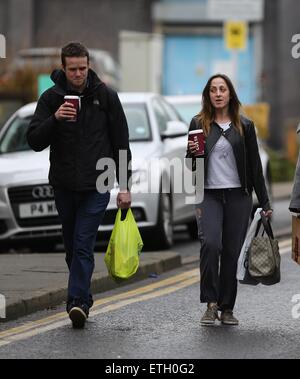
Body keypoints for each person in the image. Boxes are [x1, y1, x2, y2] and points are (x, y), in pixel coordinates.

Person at [27, 42, 132, 328]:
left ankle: (77, 303)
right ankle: (83, 294)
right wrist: (56, 118)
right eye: (72, 69)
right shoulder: (50, 99)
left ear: (89, 66)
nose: (78, 74)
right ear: (63, 68)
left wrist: (124, 186)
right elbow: (34, 140)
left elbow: (121, 143)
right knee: (72, 247)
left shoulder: (106, 97)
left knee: (84, 243)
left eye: (82, 68)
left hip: (97, 184)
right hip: (63, 184)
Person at [186, 74, 272, 326]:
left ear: (230, 94)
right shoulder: (198, 123)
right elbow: (192, 166)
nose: (218, 93)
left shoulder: (244, 126)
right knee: (211, 244)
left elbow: (255, 167)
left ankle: (227, 308)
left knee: (232, 253)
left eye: (222, 89)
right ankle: (211, 304)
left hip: (238, 196)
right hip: (209, 195)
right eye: (213, 89)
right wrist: (192, 154)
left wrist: (265, 203)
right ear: (208, 95)